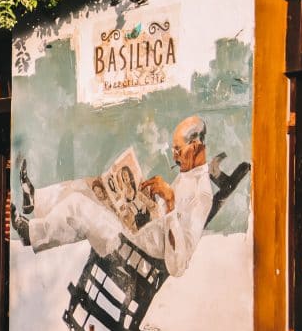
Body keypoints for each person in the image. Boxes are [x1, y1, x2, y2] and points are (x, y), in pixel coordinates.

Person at [12, 116, 213, 277]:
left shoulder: (202, 194)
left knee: (79, 205)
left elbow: (178, 265)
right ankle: (35, 199)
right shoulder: (188, 174)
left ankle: (32, 234)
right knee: (93, 185)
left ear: (194, 147)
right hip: (137, 233)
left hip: (137, 254)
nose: (175, 156)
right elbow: (165, 219)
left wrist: (169, 201)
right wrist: (147, 200)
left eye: (178, 149)